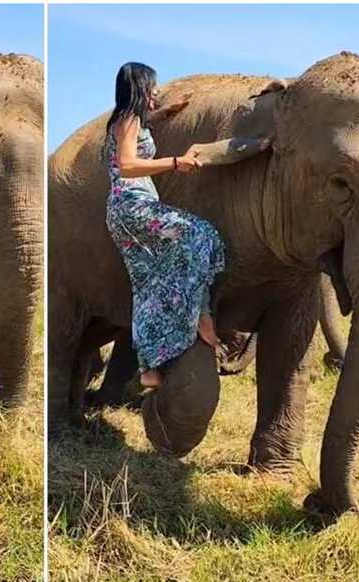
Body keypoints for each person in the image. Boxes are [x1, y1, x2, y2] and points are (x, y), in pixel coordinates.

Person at [103, 61, 224, 390]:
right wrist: (176, 163)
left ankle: (149, 369)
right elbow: (127, 164)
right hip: (133, 206)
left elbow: (143, 128)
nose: (156, 92)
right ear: (139, 87)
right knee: (200, 233)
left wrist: (170, 110)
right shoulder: (128, 120)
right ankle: (200, 313)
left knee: (148, 286)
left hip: (126, 211)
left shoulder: (127, 120)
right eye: (152, 88)